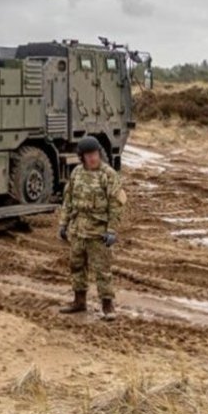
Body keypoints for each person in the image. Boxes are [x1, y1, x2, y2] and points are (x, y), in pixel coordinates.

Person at [58, 135, 127, 320]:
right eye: (88, 155)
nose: (93, 158)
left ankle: (108, 306)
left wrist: (112, 230)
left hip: (98, 233)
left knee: (102, 270)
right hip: (78, 230)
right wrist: (63, 224)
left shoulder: (108, 175)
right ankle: (79, 302)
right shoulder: (77, 173)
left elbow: (116, 205)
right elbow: (68, 201)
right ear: (82, 157)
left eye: (95, 154)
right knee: (76, 266)